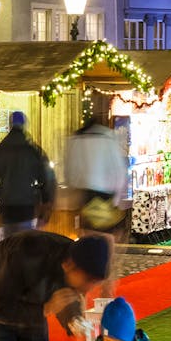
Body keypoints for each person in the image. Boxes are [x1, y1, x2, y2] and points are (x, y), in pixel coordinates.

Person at [65, 117, 128, 295]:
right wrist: (118, 200)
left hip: (85, 197)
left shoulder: (76, 139)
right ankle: (107, 294)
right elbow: (118, 172)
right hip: (106, 197)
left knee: (86, 247)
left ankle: (82, 295)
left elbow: (71, 172)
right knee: (107, 250)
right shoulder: (108, 138)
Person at [0, 111, 56, 236]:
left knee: (9, 244)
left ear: (10, 125)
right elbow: (47, 179)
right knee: (25, 244)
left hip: (6, 206)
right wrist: (46, 207)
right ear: (24, 125)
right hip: (27, 205)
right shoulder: (33, 151)